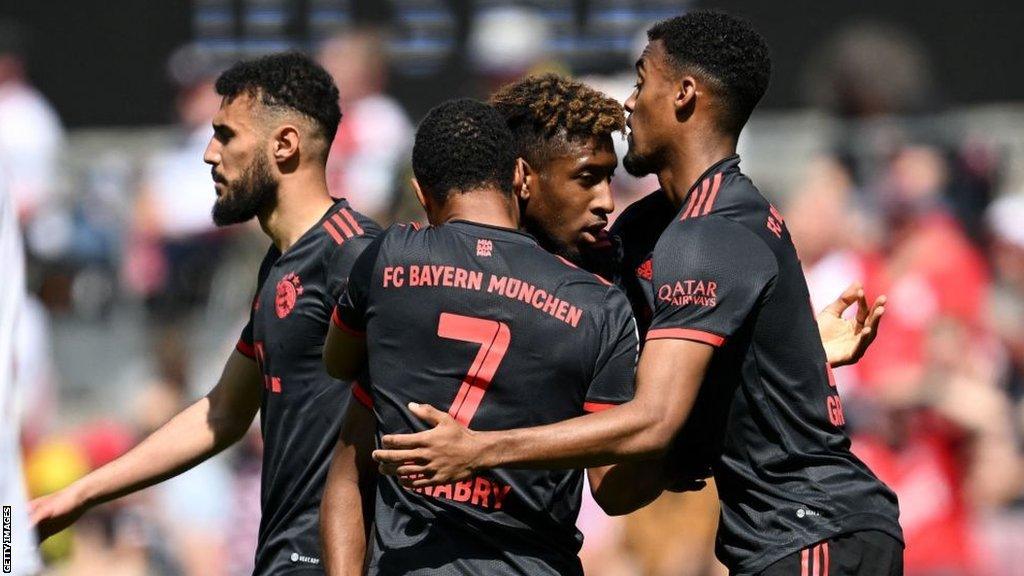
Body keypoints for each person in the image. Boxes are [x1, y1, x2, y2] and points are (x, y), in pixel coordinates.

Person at [372, 12, 904, 576]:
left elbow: (653, 420)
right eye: (585, 178)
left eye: (641, 79)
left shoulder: (707, 236)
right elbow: (619, 487)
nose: (629, 103)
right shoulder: (654, 232)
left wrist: (481, 448)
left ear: (684, 94)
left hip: (813, 528)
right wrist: (798, 355)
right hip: (789, 536)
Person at [30, 52, 380, 575]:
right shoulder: (281, 265)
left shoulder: (358, 257)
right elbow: (222, 412)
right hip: (282, 556)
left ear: (284, 145)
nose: (209, 154)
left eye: (226, 135)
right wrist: (80, 494)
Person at [320, 98, 653, 576]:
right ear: (521, 176)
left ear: (421, 193)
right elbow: (615, 489)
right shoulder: (600, 306)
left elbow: (338, 377)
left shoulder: (388, 263)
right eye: (587, 178)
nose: (605, 201)